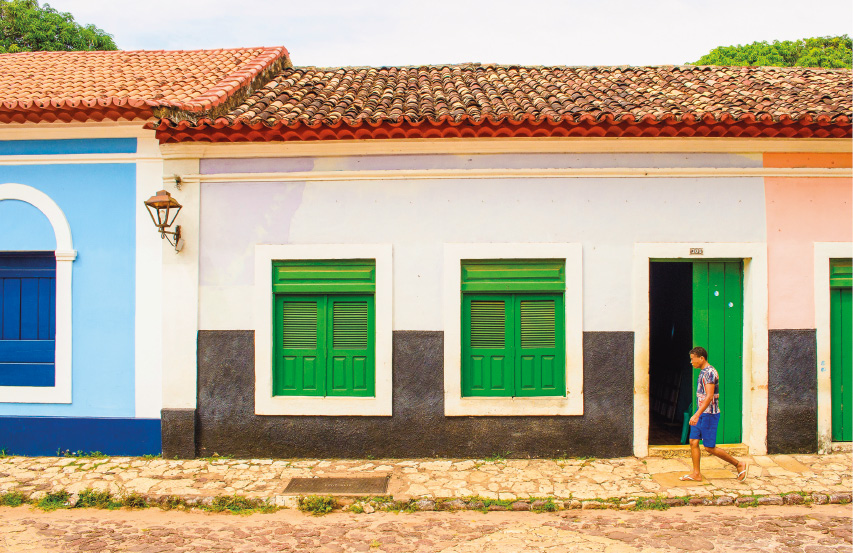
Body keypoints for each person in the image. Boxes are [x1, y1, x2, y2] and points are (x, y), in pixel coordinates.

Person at [680, 346, 748, 482]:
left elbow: (709, 396)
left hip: (709, 414)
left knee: (709, 447)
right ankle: (696, 474)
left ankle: (738, 464)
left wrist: (697, 414)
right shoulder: (702, 372)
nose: (691, 362)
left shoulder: (710, 373)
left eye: (692, 359)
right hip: (701, 413)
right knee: (693, 441)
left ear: (701, 358)